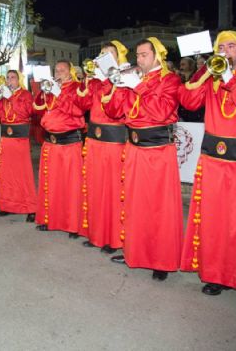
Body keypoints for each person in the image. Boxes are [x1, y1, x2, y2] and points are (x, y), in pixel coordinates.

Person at [179, 30, 236, 323]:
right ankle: (217, 275)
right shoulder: (212, 76)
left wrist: (231, 81)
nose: (225, 50)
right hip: (211, 161)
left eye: (231, 45)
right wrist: (206, 70)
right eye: (221, 46)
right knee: (214, 222)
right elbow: (188, 100)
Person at [102, 37, 182, 282]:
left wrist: (136, 85)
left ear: (157, 55)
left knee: (159, 207)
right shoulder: (135, 79)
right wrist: (117, 85)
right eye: (137, 55)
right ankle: (134, 252)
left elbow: (160, 111)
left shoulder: (170, 80)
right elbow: (114, 111)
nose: (139, 59)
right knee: (134, 204)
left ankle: (161, 259)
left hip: (158, 150)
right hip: (135, 147)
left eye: (144, 54)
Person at [76, 41, 128, 253]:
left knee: (114, 193)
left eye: (109, 54)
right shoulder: (96, 81)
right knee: (95, 189)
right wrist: (89, 80)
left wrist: (108, 79)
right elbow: (82, 105)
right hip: (94, 142)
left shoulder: (122, 79)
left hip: (113, 143)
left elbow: (116, 110)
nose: (103, 57)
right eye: (101, 54)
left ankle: (114, 238)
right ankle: (96, 234)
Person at [32, 60, 85, 236]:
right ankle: (50, 219)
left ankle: (73, 224)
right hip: (51, 142)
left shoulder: (77, 87)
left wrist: (59, 93)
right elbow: (38, 110)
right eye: (57, 70)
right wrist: (42, 89)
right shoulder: (51, 87)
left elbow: (77, 111)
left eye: (62, 70)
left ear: (70, 72)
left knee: (71, 186)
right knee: (51, 184)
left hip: (69, 142)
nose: (59, 73)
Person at [0, 70, 37, 221]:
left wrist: (11, 98)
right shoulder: (5, 95)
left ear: (19, 79)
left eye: (13, 78)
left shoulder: (25, 94)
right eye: (8, 78)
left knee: (23, 174)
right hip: (6, 139)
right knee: (6, 174)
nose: (10, 80)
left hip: (20, 139)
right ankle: (8, 205)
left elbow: (27, 112)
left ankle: (30, 208)